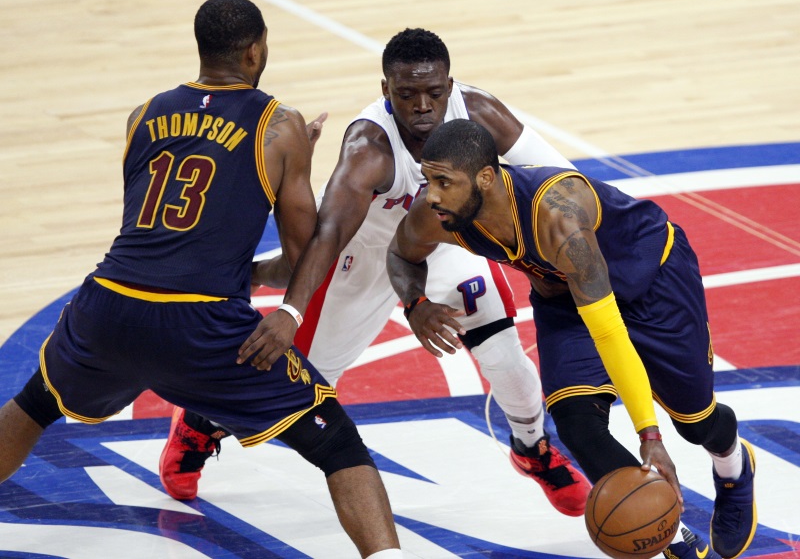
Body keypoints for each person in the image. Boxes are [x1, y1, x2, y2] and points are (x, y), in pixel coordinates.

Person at [0, 0, 402, 558]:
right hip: (200, 327)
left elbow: (165, 244)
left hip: (108, 304)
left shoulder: (142, 114)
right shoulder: (279, 125)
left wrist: (241, 267)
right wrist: (298, 166)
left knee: (35, 404)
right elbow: (302, 259)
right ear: (256, 50)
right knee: (337, 443)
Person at [161, 28, 592, 517]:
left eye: (434, 93)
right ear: (386, 91)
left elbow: (564, 182)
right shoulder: (368, 149)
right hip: (362, 258)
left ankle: (531, 448)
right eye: (407, 95)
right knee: (291, 380)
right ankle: (202, 421)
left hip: (444, 245)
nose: (423, 106)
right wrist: (290, 311)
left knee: (502, 349)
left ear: (451, 86)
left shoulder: (480, 111)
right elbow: (326, 239)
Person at [386, 118, 756, 559]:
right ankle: (670, 537)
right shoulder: (442, 214)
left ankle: (734, 469)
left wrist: (649, 434)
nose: (431, 194)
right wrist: (415, 303)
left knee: (695, 423)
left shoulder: (560, 216)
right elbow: (400, 253)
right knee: (578, 423)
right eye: (428, 179)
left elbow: (608, 330)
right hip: (565, 300)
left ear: (486, 177)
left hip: (650, 282)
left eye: (444, 182)